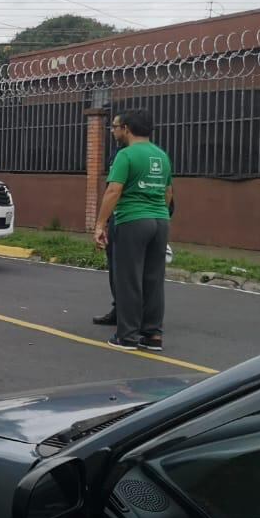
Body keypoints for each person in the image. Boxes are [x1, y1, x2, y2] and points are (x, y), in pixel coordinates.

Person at [93, 108, 173, 352]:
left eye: (119, 128)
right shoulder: (162, 155)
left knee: (128, 279)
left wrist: (99, 224)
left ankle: (126, 336)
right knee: (154, 279)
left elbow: (114, 190)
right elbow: (168, 193)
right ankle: (153, 335)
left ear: (127, 129)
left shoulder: (126, 155)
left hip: (132, 220)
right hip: (160, 220)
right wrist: (157, 212)